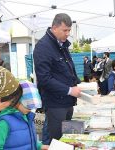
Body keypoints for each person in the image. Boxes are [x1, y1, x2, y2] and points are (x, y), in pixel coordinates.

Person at [33, 13, 81, 143]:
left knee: (66, 140)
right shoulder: (43, 47)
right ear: (54, 28)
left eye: (69, 30)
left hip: (67, 102)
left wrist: (80, 84)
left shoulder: (62, 44)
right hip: (55, 104)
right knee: (56, 140)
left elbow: (68, 69)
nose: (67, 33)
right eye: (65, 30)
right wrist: (70, 90)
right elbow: (44, 79)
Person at [0, 64, 48, 150]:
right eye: (28, 107)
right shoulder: (3, 122)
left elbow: (29, 141)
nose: (30, 110)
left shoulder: (27, 118)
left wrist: (42, 146)